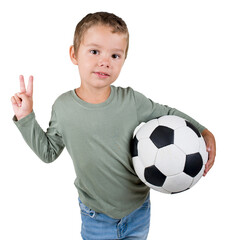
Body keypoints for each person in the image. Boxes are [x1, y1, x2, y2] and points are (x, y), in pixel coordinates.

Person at [11, 12, 216, 240]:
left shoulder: (132, 101)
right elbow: (48, 153)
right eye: (95, 51)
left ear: (124, 60)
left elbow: (167, 113)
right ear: (74, 54)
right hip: (96, 216)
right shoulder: (63, 107)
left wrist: (204, 131)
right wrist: (26, 116)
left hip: (138, 212)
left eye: (115, 55)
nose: (105, 61)